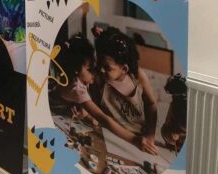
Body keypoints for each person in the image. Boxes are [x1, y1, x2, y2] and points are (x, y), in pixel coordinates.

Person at [94, 26, 159, 155]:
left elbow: (151, 103)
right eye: (99, 63)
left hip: (140, 137)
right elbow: (101, 116)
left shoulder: (138, 76)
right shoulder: (99, 80)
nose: (101, 70)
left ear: (124, 69)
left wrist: (150, 135)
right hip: (112, 134)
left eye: (107, 68)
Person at [50, 34, 99, 126]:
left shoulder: (79, 79)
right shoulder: (76, 87)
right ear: (76, 69)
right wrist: (87, 115)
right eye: (89, 69)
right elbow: (98, 119)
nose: (94, 73)